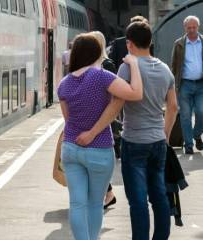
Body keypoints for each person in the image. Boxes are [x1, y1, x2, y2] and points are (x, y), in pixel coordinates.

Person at [58, 33, 143, 240]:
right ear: (96, 53)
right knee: (96, 203)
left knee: (77, 203)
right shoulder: (101, 76)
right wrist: (134, 64)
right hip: (99, 148)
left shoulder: (64, 83)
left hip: (71, 148)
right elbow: (135, 93)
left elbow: (68, 120)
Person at [116, 21, 177, 240]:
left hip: (134, 141)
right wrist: (165, 134)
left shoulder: (127, 67)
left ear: (129, 44)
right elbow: (173, 107)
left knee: (138, 201)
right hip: (158, 140)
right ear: (151, 41)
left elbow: (117, 103)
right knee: (159, 196)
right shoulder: (164, 68)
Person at [91, 31, 118, 210]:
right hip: (92, 116)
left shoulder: (107, 65)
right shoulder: (90, 64)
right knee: (94, 158)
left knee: (98, 158)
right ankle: (107, 193)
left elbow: (113, 92)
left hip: (104, 116)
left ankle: (106, 193)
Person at [171, 15, 203, 154]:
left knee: (201, 112)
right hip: (184, 84)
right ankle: (189, 145)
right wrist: (172, 85)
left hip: (201, 84)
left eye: (194, 27)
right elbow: (173, 65)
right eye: (189, 27)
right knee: (185, 115)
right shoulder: (178, 44)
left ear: (198, 27)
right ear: (185, 28)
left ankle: (197, 135)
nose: (191, 30)